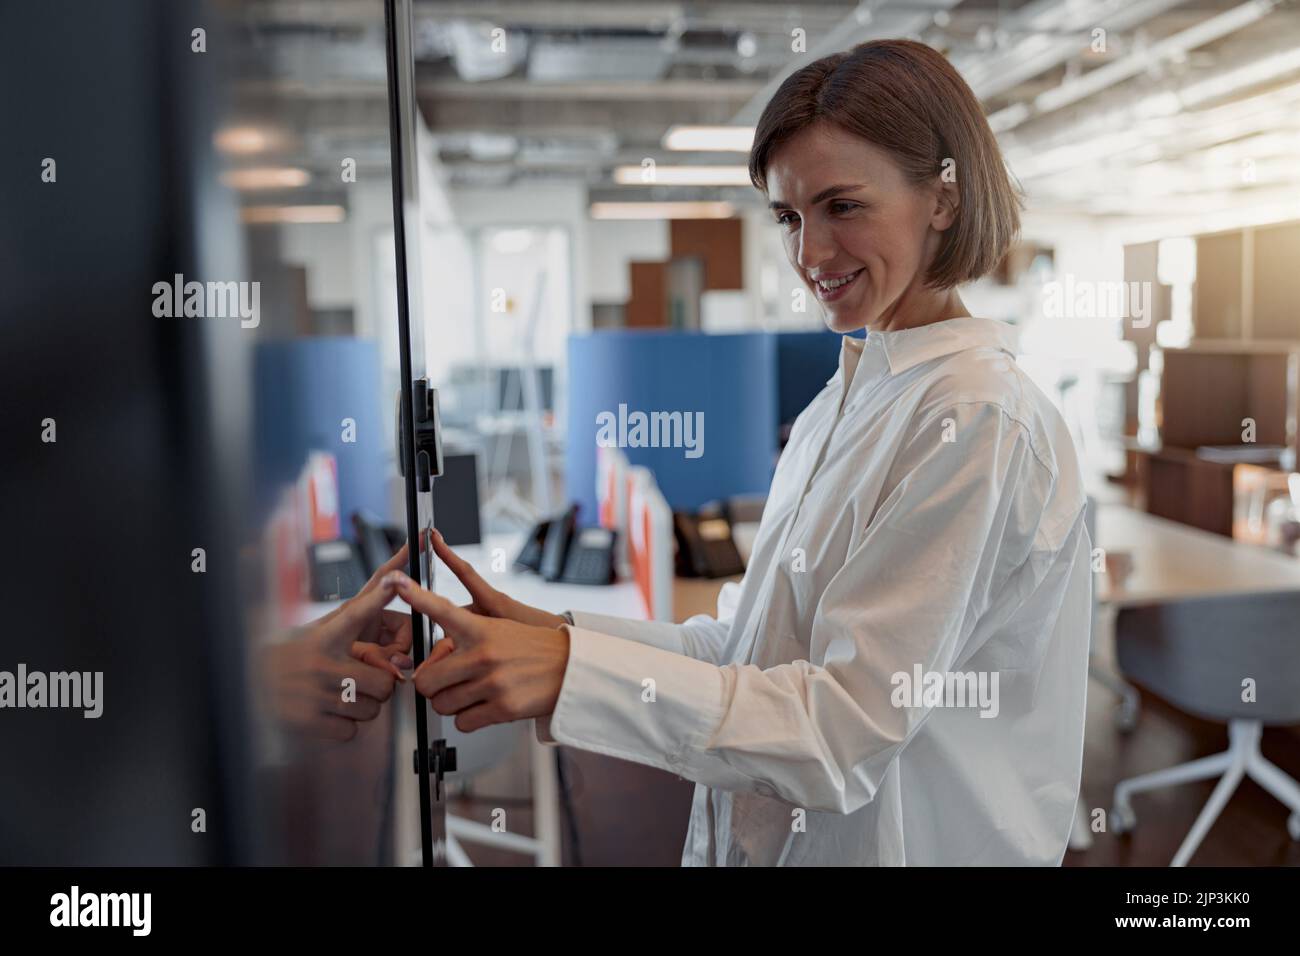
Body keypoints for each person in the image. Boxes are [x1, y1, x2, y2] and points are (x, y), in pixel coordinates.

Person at [388, 38, 1093, 866]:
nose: (809, 255)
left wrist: (572, 669)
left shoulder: (977, 421)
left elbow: (839, 731)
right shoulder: (854, 394)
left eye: (843, 207)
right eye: (790, 217)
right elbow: (749, 650)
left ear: (945, 197)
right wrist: (560, 634)